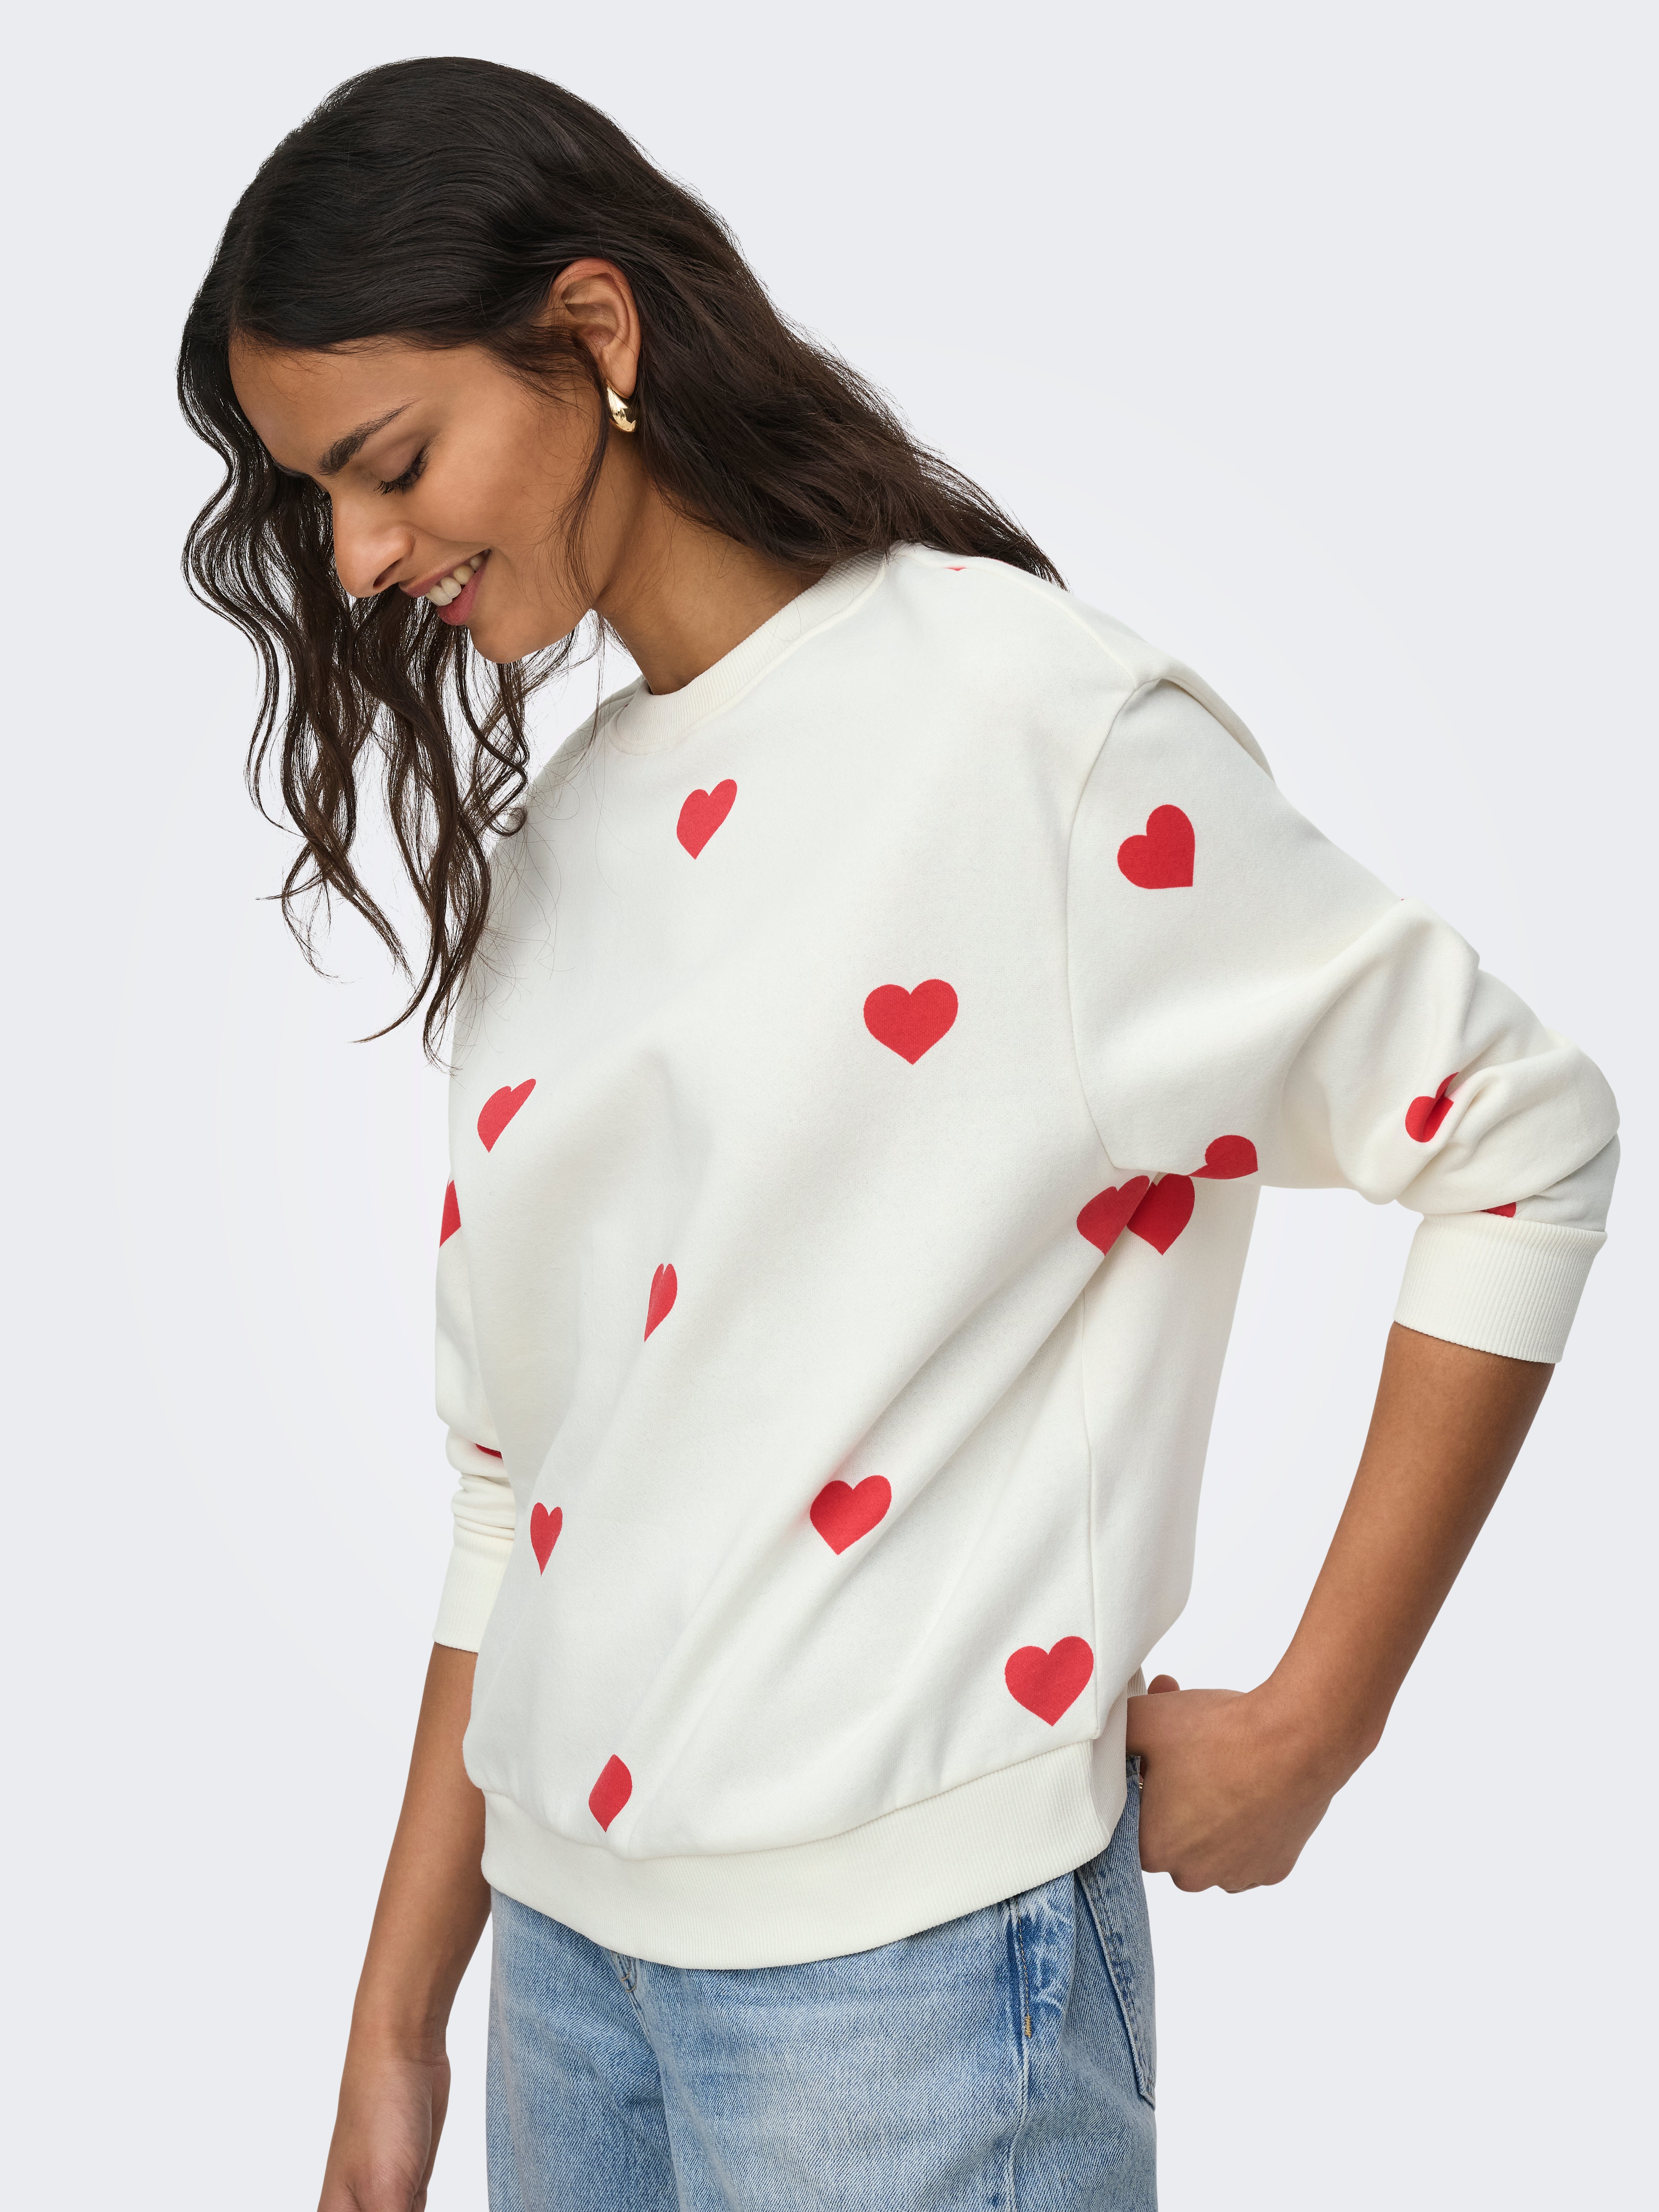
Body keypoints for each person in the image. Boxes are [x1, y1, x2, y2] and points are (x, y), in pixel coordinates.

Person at [178, 54, 1619, 2212]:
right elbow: (522, 1485)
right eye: (320, 497)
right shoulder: (564, 848)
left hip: (909, 1992)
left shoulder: (1026, 735)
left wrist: (1319, 1717)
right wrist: (398, 2028)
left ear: (593, 333)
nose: (361, 553)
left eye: (388, 464)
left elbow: (1514, 1129)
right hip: (567, 1978)